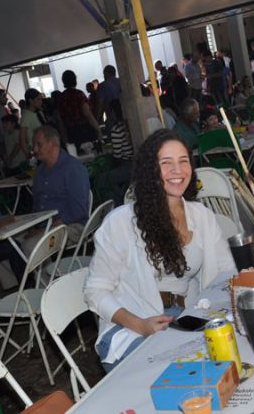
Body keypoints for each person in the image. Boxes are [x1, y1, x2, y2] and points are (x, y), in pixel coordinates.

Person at [84, 129, 236, 371]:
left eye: (183, 161)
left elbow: (226, 271)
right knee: (187, 378)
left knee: (228, 361)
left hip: (185, 319)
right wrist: (140, 325)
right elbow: (95, 291)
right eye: (166, 163)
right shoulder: (121, 222)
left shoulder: (201, 216)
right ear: (150, 171)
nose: (177, 170)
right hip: (131, 329)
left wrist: (248, 280)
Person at [31, 126, 90, 245]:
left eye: (39, 144)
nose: (34, 150)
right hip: (45, 227)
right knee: (10, 246)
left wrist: (45, 230)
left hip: (71, 226)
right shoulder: (39, 172)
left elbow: (78, 211)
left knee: (29, 246)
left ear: (52, 144)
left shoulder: (73, 168)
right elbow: (37, 205)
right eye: (33, 145)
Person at [57, 70, 103, 155]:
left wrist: (65, 137)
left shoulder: (61, 98)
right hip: (84, 131)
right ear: (75, 80)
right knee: (91, 155)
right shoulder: (78, 94)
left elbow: (60, 120)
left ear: (63, 81)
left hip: (71, 133)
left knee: (78, 157)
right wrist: (98, 129)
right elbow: (88, 114)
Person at [20, 89, 44, 157]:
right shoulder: (26, 115)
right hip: (37, 149)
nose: (41, 102)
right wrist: (27, 154)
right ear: (30, 100)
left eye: (41, 99)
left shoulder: (39, 112)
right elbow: (22, 138)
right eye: (38, 99)